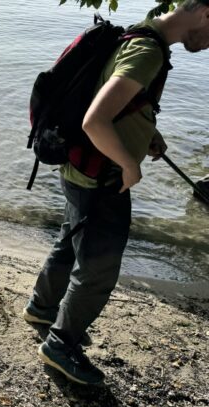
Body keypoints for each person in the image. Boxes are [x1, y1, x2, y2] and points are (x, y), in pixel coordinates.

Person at [23, 0, 209, 385]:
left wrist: (146, 132)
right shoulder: (148, 52)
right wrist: (129, 164)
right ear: (207, 13)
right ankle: (61, 346)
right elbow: (95, 121)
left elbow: (110, 97)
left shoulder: (140, 33)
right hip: (101, 178)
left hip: (80, 168)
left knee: (70, 241)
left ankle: (42, 308)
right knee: (98, 269)